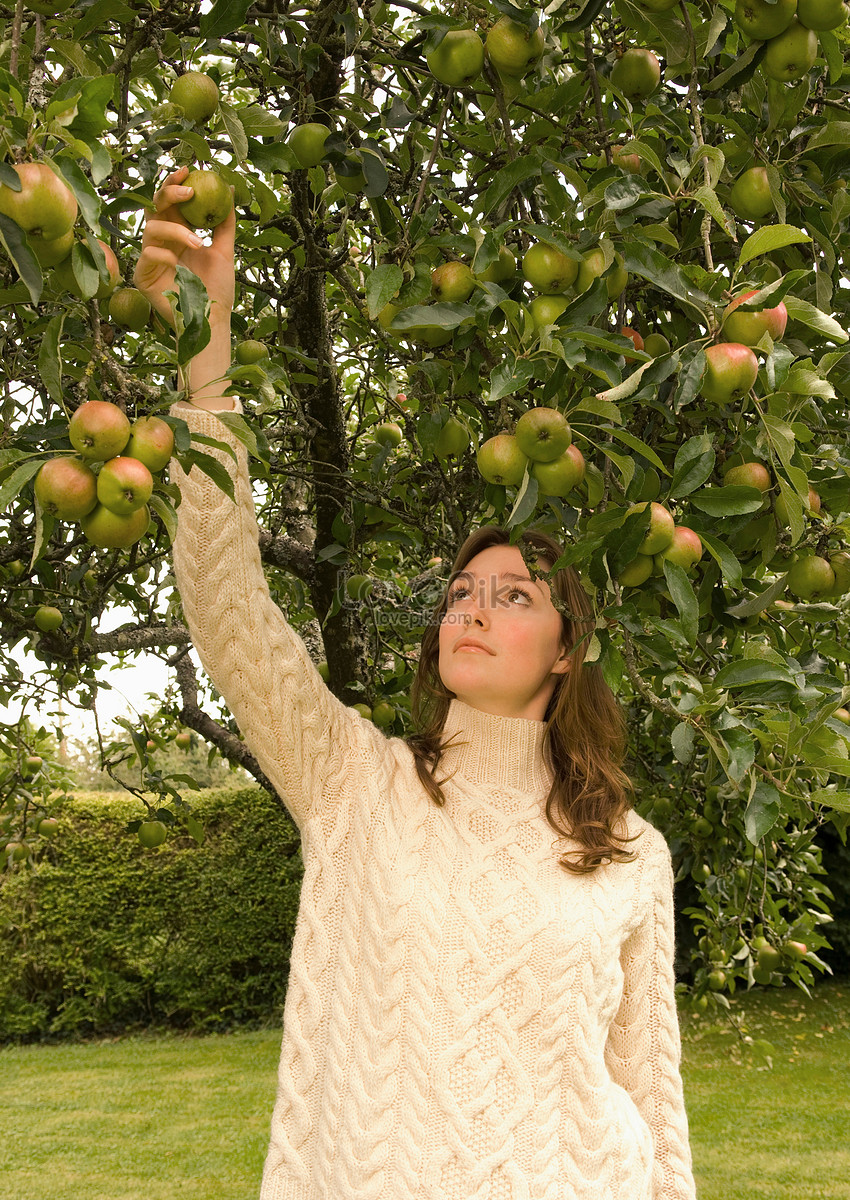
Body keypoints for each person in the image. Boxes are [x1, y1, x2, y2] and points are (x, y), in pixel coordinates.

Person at [135, 166, 698, 1200]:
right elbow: (229, 610)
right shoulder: (357, 782)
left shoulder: (629, 852)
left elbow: (648, 1100)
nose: (473, 609)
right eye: (460, 592)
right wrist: (201, 357)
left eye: (515, 596)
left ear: (569, 648)